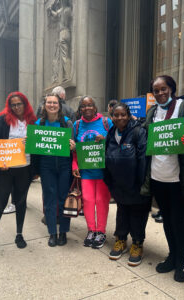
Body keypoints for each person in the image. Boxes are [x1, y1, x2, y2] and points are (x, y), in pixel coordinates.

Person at [142, 75, 184, 282]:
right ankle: (173, 256)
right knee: (166, 219)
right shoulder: (152, 112)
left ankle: (183, 260)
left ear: (172, 88)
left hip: (179, 177)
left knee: (179, 220)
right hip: (157, 176)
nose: (160, 93)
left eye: (164, 89)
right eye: (156, 90)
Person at [0, 92, 37, 256]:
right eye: (13, 104)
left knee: (20, 202)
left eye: (20, 104)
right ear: (9, 106)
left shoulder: (32, 121)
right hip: (5, 170)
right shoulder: (2, 120)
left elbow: (38, 146)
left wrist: (36, 170)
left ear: (25, 104)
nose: (17, 107)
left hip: (24, 169)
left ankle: (19, 234)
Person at [104, 103, 149, 266]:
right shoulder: (110, 133)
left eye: (123, 114)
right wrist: (108, 180)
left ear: (128, 116)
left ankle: (137, 244)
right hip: (118, 184)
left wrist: (141, 183)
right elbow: (105, 156)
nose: (120, 118)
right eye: (116, 115)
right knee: (122, 213)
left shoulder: (138, 132)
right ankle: (121, 239)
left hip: (136, 184)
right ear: (112, 117)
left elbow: (143, 159)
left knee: (137, 214)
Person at [72, 96, 113, 249]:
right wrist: (74, 165)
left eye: (90, 105)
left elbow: (115, 141)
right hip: (86, 170)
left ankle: (101, 231)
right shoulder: (77, 125)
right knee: (88, 200)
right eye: (83, 106)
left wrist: (105, 139)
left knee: (101, 201)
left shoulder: (106, 122)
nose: (87, 108)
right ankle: (91, 230)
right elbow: (74, 149)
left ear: (95, 108)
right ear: (80, 109)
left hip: (103, 170)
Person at [35, 93, 75, 247]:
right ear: (44, 105)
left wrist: (74, 147)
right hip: (46, 166)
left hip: (64, 165)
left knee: (63, 198)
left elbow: (73, 146)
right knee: (50, 199)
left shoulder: (67, 123)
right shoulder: (39, 123)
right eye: (49, 103)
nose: (52, 105)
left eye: (55, 103)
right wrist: (29, 141)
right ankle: (52, 232)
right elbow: (36, 147)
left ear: (59, 105)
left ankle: (63, 231)